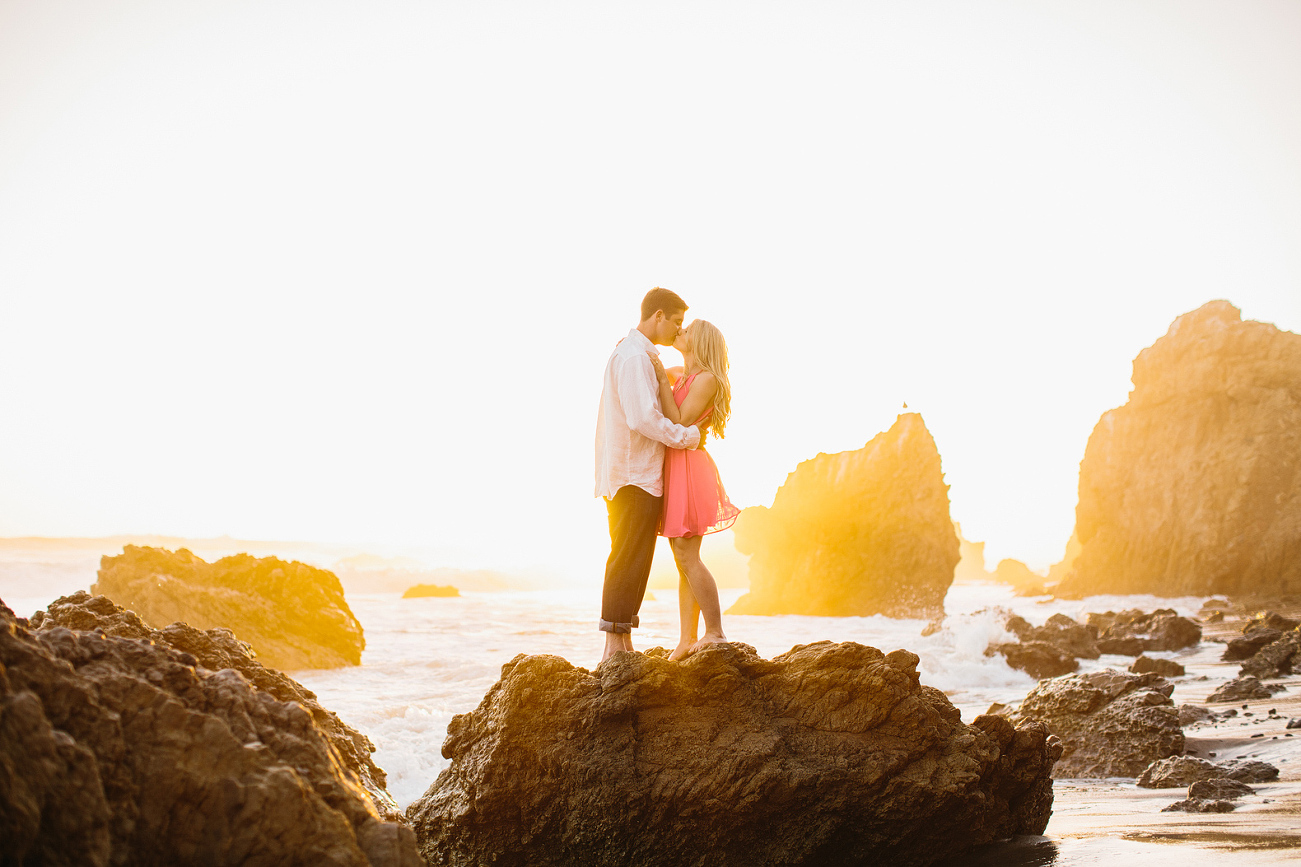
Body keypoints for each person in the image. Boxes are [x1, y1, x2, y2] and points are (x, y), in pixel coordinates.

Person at [595, 288, 702, 663]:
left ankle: (622, 643)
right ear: (658, 316)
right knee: (627, 555)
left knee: (635, 555)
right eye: (676, 322)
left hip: (632, 472)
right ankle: (612, 647)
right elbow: (643, 418)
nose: (678, 330)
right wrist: (686, 437)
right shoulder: (635, 357)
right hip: (632, 473)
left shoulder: (637, 354)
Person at [647, 320, 739, 660]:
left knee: (688, 556)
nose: (679, 332)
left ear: (699, 342)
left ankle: (715, 631)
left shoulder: (706, 381)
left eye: (686, 331)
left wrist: (660, 379)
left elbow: (680, 422)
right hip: (676, 468)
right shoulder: (684, 374)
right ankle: (686, 639)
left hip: (690, 470)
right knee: (682, 558)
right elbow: (645, 361)